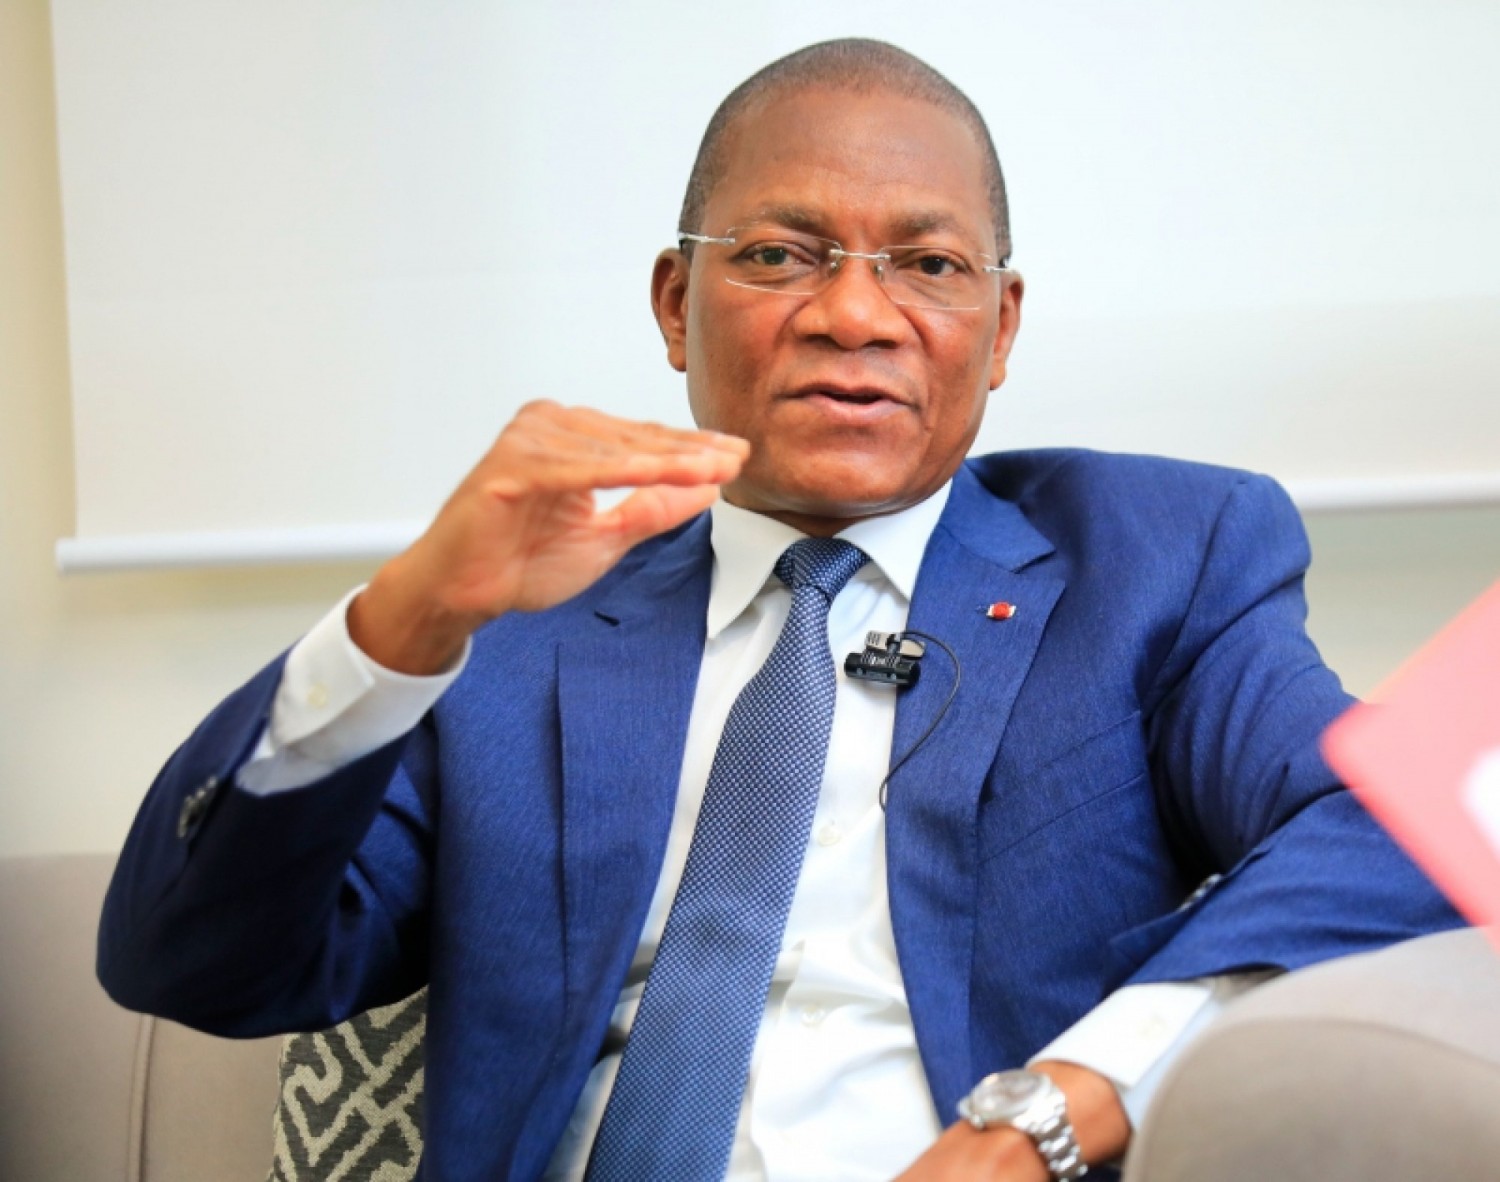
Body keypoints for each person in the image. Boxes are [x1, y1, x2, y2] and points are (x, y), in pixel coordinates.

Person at [98, 39, 1460, 1182]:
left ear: (1000, 328)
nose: (853, 314)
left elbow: (1401, 818)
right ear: (676, 304)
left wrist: (1046, 1115)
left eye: (928, 265)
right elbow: (194, 964)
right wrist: (400, 623)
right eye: (780, 253)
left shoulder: (1153, 560)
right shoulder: (524, 623)